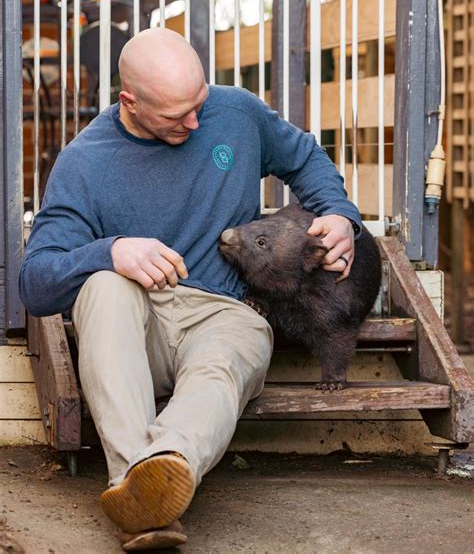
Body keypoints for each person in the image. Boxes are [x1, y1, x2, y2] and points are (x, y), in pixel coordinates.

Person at [19, 27, 362, 551]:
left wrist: (339, 215)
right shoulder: (85, 161)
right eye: (177, 115)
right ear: (129, 102)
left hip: (227, 313)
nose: (196, 122)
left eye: (199, 103)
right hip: (139, 324)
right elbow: (36, 283)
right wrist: (108, 251)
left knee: (220, 364)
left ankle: (152, 488)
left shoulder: (237, 112)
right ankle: (142, 488)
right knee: (104, 287)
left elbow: (305, 158)